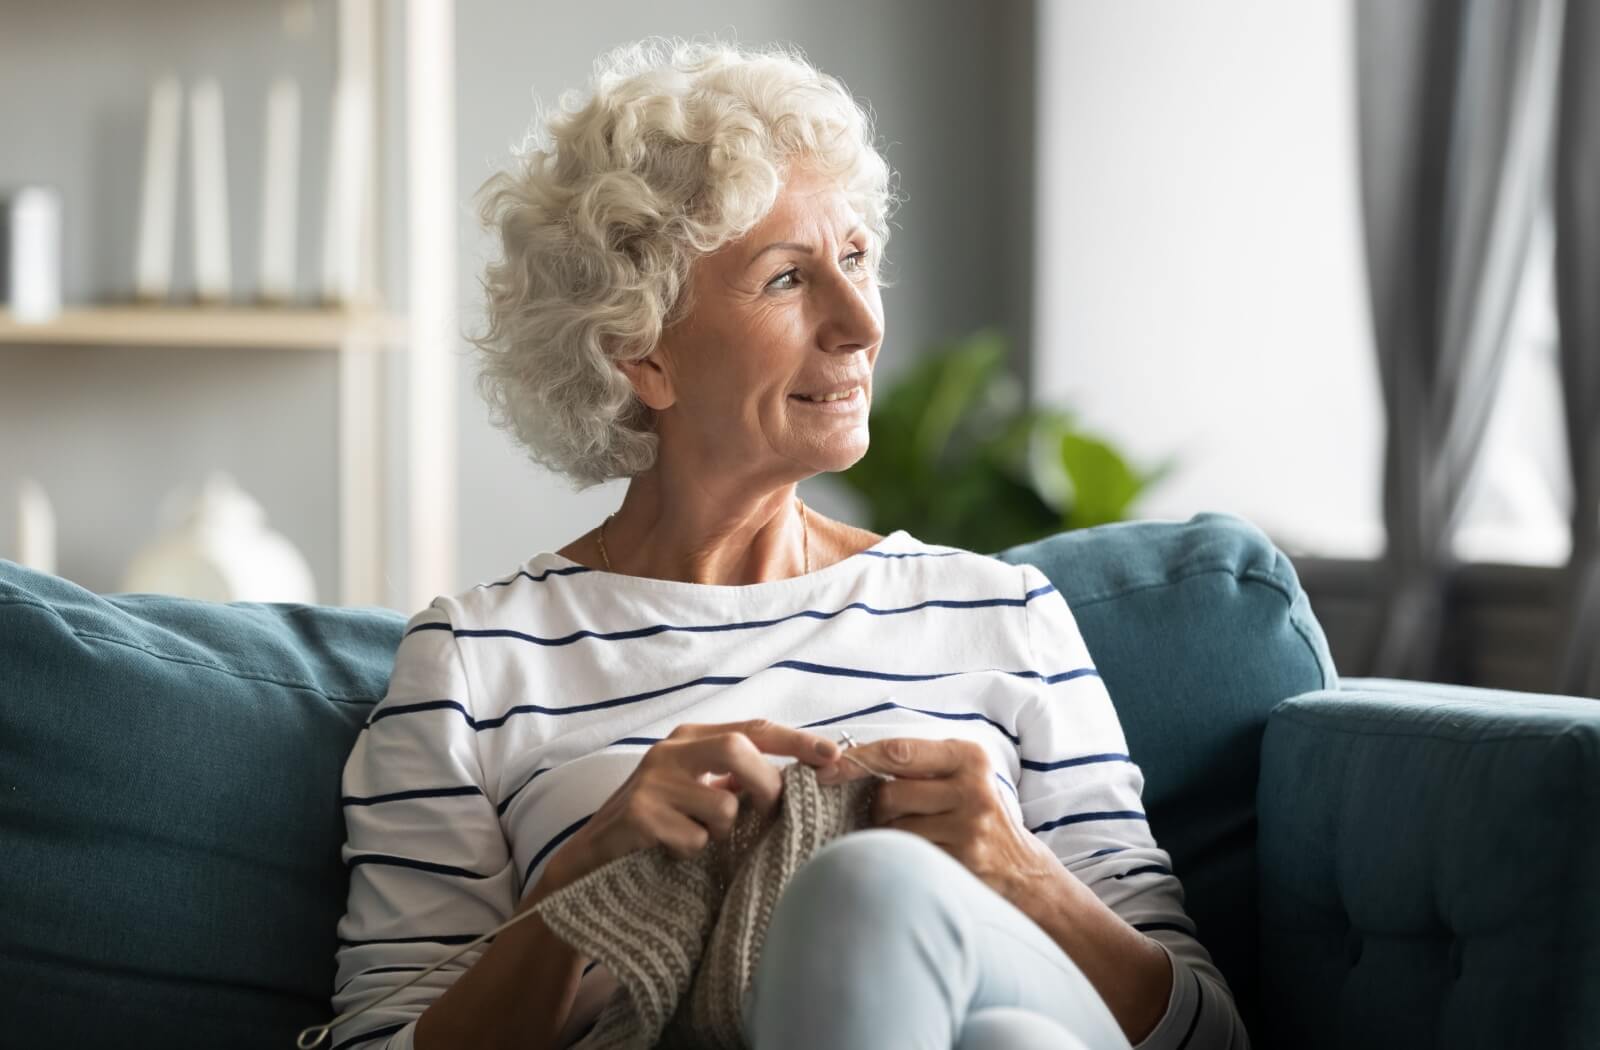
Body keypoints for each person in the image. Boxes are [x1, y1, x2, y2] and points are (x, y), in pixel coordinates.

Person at [330, 37, 1248, 1050]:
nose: (860, 322)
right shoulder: (473, 662)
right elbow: (384, 1039)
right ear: (641, 352)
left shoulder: (1002, 615)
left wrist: (1018, 872)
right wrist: (586, 872)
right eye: (787, 279)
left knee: (923, 937)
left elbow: (1205, 1037)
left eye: (855, 259)